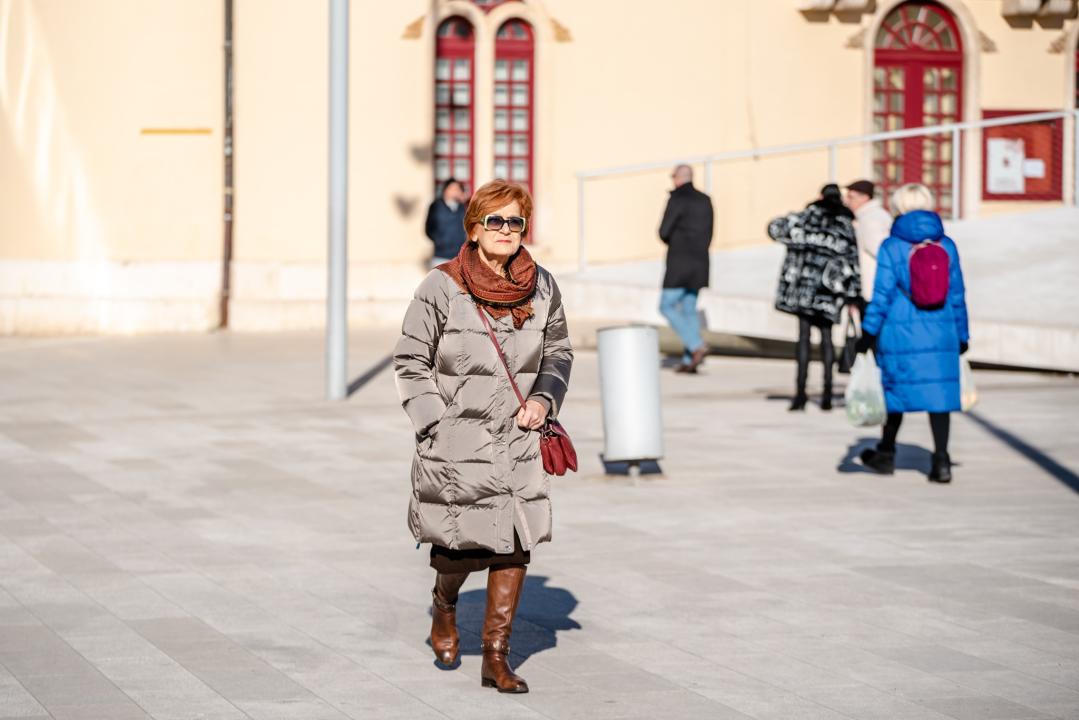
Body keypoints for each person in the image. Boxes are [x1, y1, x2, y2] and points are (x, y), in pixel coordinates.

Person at [394, 179, 573, 693]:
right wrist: (435, 423)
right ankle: (445, 605)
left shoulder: (541, 286)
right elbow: (410, 359)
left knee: (515, 545)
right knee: (458, 552)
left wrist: (543, 400)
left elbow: (558, 351)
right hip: (457, 445)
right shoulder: (441, 286)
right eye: (494, 220)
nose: (505, 230)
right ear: (473, 228)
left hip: (518, 438)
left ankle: (496, 656)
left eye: (514, 221)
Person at [855, 183, 969, 483]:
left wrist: (867, 334)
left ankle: (886, 454)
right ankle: (941, 461)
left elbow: (882, 294)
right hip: (941, 329)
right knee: (940, 397)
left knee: (895, 392)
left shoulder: (892, 246)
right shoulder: (947, 244)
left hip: (900, 329)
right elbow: (957, 294)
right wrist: (963, 335)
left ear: (898, 206)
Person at [768, 184, 862, 412]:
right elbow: (852, 262)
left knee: (803, 338)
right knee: (827, 339)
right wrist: (853, 296)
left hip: (802, 289)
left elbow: (773, 228)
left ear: (820, 197)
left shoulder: (804, 220)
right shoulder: (844, 225)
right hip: (829, 291)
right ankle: (827, 395)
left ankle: (800, 394)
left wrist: (795, 215)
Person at [658, 165, 714, 373]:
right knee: (689, 308)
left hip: (679, 263)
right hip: (700, 262)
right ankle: (690, 360)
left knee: (666, 306)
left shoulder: (677, 198)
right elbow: (710, 233)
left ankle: (696, 345)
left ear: (678, 178)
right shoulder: (705, 200)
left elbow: (663, 231)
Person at [844, 180, 894, 303]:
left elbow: (882, 254)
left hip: (876, 290)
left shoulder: (870, 221)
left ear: (864, 198)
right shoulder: (872, 216)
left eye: (851, 197)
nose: (846, 201)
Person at [425, 178, 468, 269]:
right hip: (441, 255)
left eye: (457, 189)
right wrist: (439, 241)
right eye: (452, 189)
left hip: (459, 255)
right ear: (445, 190)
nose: (455, 191)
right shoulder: (436, 206)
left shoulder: (462, 207)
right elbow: (429, 228)